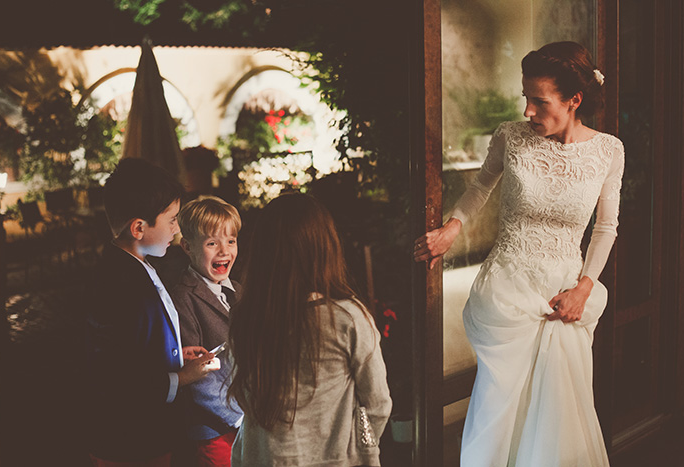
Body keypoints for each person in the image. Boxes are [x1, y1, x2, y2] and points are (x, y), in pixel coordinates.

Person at [414, 41, 624, 466]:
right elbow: (480, 187)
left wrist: (583, 289)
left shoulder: (608, 150)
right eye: (525, 97)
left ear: (574, 100)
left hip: (565, 295)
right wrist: (452, 227)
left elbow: (605, 227)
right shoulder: (511, 137)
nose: (528, 110)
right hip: (508, 291)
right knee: (498, 407)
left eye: (539, 101)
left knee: (559, 409)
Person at [227, 193, 392, 467]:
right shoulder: (347, 318)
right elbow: (378, 404)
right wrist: (357, 449)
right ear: (324, 248)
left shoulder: (245, 319)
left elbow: (244, 399)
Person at [85, 158, 218, 466]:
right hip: (129, 439)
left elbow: (136, 346)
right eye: (171, 220)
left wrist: (175, 353)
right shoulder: (119, 285)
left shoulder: (136, 265)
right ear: (139, 228)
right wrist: (181, 377)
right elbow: (117, 377)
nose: (177, 228)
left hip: (143, 434)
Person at [169, 195, 244, 466]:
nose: (224, 251)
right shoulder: (183, 298)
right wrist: (238, 417)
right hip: (214, 428)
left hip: (250, 416)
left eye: (231, 241)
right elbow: (197, 375)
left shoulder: (239, 290)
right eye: (212, 243)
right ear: (187, 247)